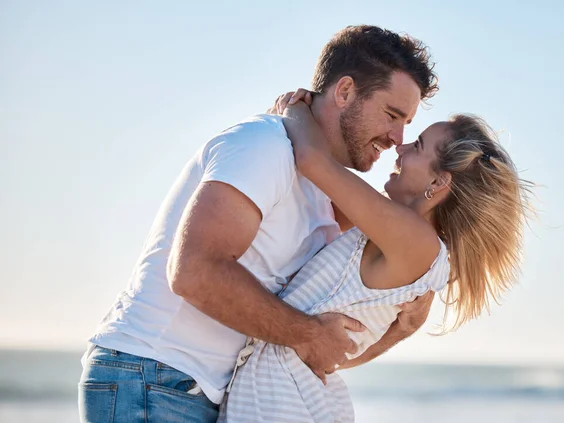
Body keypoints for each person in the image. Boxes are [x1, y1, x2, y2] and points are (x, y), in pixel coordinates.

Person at [78, 25, 439, 423]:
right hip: (153, 378)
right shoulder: (264, 146)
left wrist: (401, 326)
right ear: (345, 91)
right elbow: (194, 272)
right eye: (392, 115)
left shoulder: (323, 189)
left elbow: (335, 340)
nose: (397, 138)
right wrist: (309, 333)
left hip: (193, 390)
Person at [219, 91, 533, 422]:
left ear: (439, 181)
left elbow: (312, 159)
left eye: (418, 146)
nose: (401, 147)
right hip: (286, 398)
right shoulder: (398, 236)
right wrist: (399, 332)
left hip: (281, 404)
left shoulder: (415, 241)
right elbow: (337, 354)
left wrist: (296, 108)